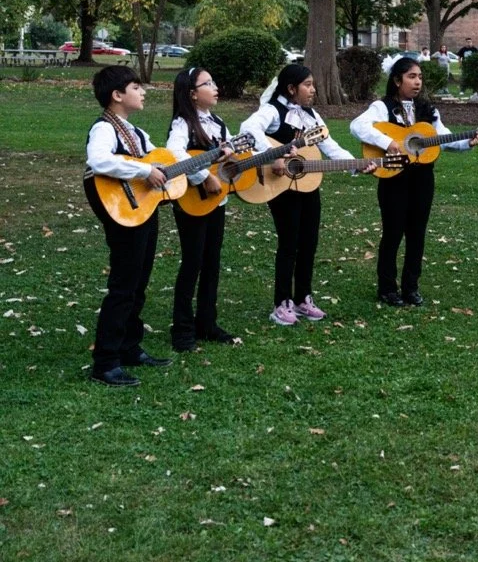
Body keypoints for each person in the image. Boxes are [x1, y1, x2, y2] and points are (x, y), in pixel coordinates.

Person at [241, 64, 368, 326]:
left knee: (309, 242)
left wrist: (355, 162)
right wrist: (273, 154)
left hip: (308, 185)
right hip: (281, 187)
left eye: (312, 84)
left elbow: (330, 146)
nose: (313, 89)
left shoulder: (312, 116)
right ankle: (281, 302)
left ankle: (303, 298)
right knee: (289, 242)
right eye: (307, 84)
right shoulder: (272, 111)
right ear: (291, 88)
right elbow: (248, 128)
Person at [350, 57, 478, 307]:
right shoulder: (383, 107)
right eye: (412, 77)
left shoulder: (427, 110)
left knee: (417, 233)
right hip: (394, 178)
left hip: (422, 177)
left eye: (420, 77)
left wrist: (466, 142)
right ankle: (387, 288)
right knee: (393, 232)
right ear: (397, 80)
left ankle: (411, 287)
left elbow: (441, 137)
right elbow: (357, 126)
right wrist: (388, 142)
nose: (418, 82)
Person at [83, 66, 173, 386]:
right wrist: (143, 172)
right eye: (137, 87)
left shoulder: (136, 133)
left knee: (138, 282)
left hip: (144, 211)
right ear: (117, 95)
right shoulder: (104, 129)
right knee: (123, 285)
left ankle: (129, 347)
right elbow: (97, 161)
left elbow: (159, 160)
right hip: (122, 211)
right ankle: (105, 363)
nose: (144, 91)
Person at [167, 67, 237, 352]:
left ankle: (207, 322)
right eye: (208, 83)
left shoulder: (219, 124)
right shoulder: (183, 123)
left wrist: (234, 155)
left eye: (214, 81)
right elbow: (174, 154)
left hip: (216, 202)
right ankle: (182, 329)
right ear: (193, 94)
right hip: (190, 200)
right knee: (192, 262)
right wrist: (203, 177)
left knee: (212, 262)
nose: (215, 86)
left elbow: (233, 150)